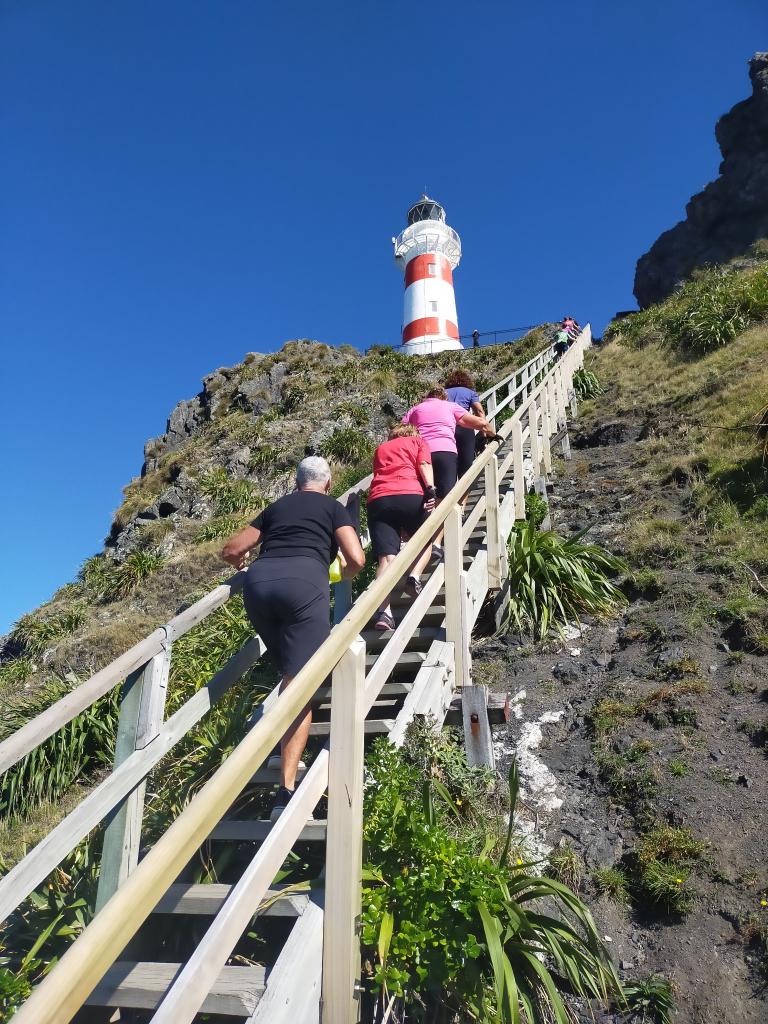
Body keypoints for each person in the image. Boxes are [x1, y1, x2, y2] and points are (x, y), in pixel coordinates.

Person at [221, 456, 365, 820]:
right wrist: (343, 574)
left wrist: (241, 565)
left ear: (295, 481)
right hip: (303, 583)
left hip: (259, 586)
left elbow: (232, 550)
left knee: (290, 668)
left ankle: (277, 735)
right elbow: (357, 558)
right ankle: (285, 790)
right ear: (329, 483)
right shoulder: (333, 509)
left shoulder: (276, 507)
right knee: (301, 682)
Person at [402, 387, 495, 557]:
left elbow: (399, 431)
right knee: (445, 498)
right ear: (443, 397)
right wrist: (492, 434)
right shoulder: (450, 406)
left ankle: (418, 541)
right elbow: (479, 422)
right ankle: (436, 543)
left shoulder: (415, 409)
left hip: (420, 455)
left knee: (424, 497)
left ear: (426, 397)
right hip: (445, 452)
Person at [367, 424, 437, 631]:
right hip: (409, 493)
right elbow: (424, 464)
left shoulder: (381, 448)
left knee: (386, 557)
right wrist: (431, 489)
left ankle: (383, 612)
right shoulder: (418, 441)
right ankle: (414, 577)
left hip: (379, 499)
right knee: (426, 540)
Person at [444, 369, 488, 481]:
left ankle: (451, 493)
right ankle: (464, 495)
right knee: (466, 464)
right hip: (465, 428)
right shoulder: (470, 392)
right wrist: (483, 432)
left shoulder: (443, 393)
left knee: (449, 463)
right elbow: (479, 411)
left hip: (447, 428)